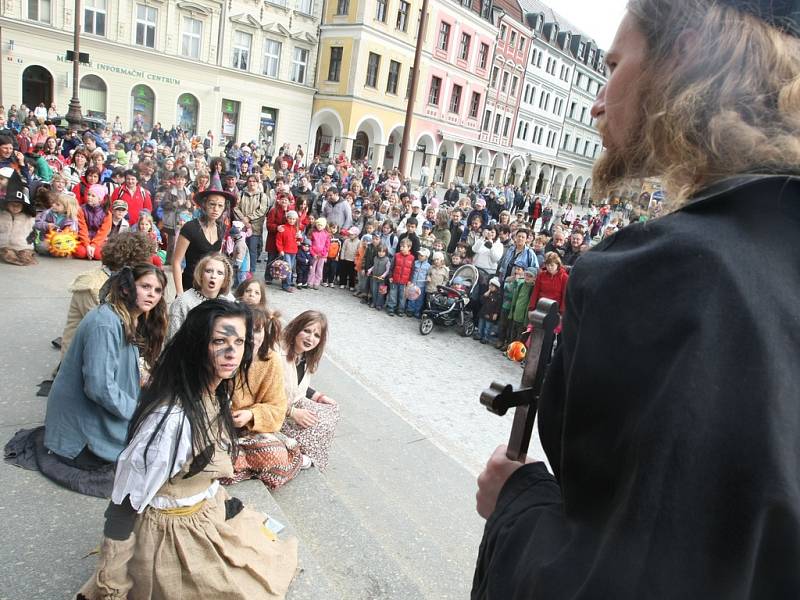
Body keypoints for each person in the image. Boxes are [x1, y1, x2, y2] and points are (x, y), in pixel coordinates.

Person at [473, 2, 800, 598]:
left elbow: (618, 578)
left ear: (682, 53)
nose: (598, 102)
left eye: (616, 64)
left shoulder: (676, 274)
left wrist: (515, 502)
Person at [77, 300, 298, 598]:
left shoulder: (215, 391)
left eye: (240, 342)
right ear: (196, 345)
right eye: (219, 341)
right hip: (169, 536)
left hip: (201, 513)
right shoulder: (172, 420)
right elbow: (123, 506)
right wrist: (111, 583)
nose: (232, 353)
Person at [7, 265, 168, 498]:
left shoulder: (127, 318)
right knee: (149, 450)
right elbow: (99, 387)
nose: (152, 294)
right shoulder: (106, 323)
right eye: (145, 287)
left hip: (99, 407)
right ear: (126, 288)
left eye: (157, 290)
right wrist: (139, 412)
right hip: (83, 422)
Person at [225, 307, 307, 489]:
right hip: (218, 429)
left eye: (257, 330)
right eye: (246, 331)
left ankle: (232, 463)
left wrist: (251, 415)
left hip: (249, 432)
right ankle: (229, 463)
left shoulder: (271, 360)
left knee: (276, 453)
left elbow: (277, 407)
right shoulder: (224, 354)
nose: (252, 337)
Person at [279, 310, 339, 470]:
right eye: (306, 331)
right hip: (278, 411)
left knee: (332, 410)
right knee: (316, 426)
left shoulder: (305, 357)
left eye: (316, 335)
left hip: (294, 403)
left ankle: (308, 457)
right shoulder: (279, 354)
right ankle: (302, 458)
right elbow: (266, 393)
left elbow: (296, 385)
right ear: (296, 328)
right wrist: (292, 412)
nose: (310, 338)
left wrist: (317, 396)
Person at [171, 189, 231, 295]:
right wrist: (180, 292)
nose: (215, 209)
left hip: (210, 288)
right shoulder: (190, 228)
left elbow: (217, 259)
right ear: (204, 204)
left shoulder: (221, 228)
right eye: (212, 204)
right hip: (189, 286)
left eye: (220, 205)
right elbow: (176, 262)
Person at [168, 253, 236, 338]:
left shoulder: (230, 301)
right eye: (208, 271)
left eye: (220, 273)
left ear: (225, 280)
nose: (213, 276)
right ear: (200, 275)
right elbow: (172, 341)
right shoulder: (183, 303)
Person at [0, 169, 37, 265]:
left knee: (26, 256)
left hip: (22, 245)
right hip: (4, 245)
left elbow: (33, 231)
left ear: (23, 206)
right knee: (8, 254)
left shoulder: (27, 217)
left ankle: (24, 256)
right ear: (7, 204)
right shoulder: (2, 214)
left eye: (18, 205)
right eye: (12, 204)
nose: (15, 207)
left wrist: (31, 242)